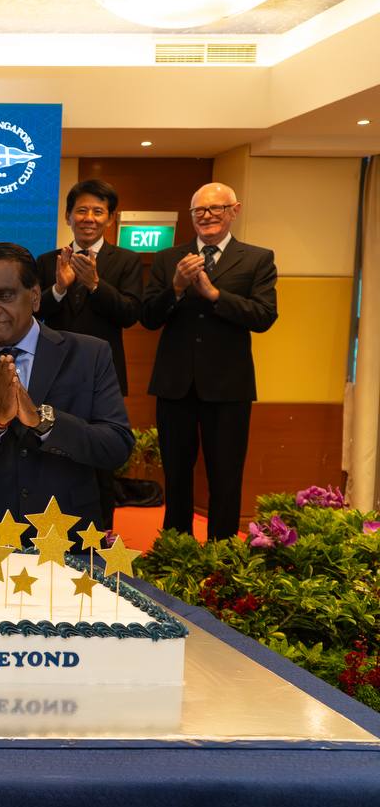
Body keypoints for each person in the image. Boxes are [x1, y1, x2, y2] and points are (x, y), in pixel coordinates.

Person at [0, 242, 133, 538]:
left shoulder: (90, 355)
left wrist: (43, 420)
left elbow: (116, 447)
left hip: (68, 538)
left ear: (35, 297)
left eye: (4, 296)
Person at [142, 182, 277, 540]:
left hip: (229, 387)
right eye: (199, 210)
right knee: (176, 474)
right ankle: (177, 548)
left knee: (226, 475)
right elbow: (149, 317)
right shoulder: (169, 259)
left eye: (216, 208)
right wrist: (175, 287)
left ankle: (222, 552)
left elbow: (264, 316)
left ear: (234, 211)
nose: (207, 216)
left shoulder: (257, 259)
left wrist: (216, 295)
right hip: (175, 385)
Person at [36, 179, 142, 529]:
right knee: (52, 456)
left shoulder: (126, 261)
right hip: (53, 376)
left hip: (103, 379)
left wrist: (96, 284)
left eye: (98, 211)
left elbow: (130, 314)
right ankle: (50, 533)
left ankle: (100, 536)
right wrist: (59, 288)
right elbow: (34, 313)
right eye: (81, 210)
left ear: (109, 218)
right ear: (68, 216)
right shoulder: (47, 261)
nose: (89, 218)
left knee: (99, 462)